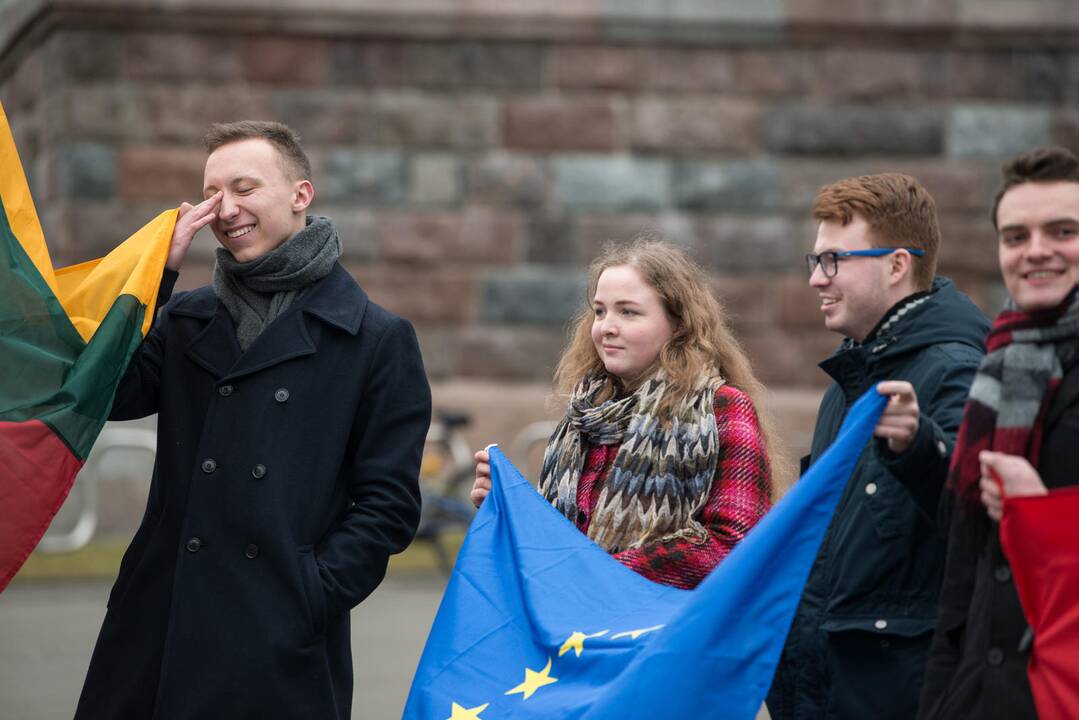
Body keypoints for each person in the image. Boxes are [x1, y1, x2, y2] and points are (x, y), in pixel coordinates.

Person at [74, 122, 432, 719]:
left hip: (277, 634)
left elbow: (388, 505)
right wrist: (153, 280)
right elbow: (103, 396)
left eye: (244, 188)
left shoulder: (376, 338)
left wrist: (307, 594)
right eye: (213, 193)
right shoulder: (186, 316)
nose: (226, 209)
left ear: (301, 195)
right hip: (159, 620)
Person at [767, 173, 990, 719]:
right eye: (815, 260)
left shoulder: (958, 371)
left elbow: (977, 521)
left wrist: (919, 446)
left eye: (835, 260)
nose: (818, 279)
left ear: (896, 265)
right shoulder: (847, 383)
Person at [471, 238, 780, 589]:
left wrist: (600, 572)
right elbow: (558, 545)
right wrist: (508, 510)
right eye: (600, 311)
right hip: (575, 630)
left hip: (668, 632)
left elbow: (735, 544)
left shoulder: (723, 408)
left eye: (628, 311)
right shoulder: (586, 413)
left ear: (678, 323)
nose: (606, 327)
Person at [918, 146, 1079, 719]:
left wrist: (1037, 514)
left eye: (1062, 231)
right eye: (1016, 236)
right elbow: (962, 583)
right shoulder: (1000, 365)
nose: (1036, 251)